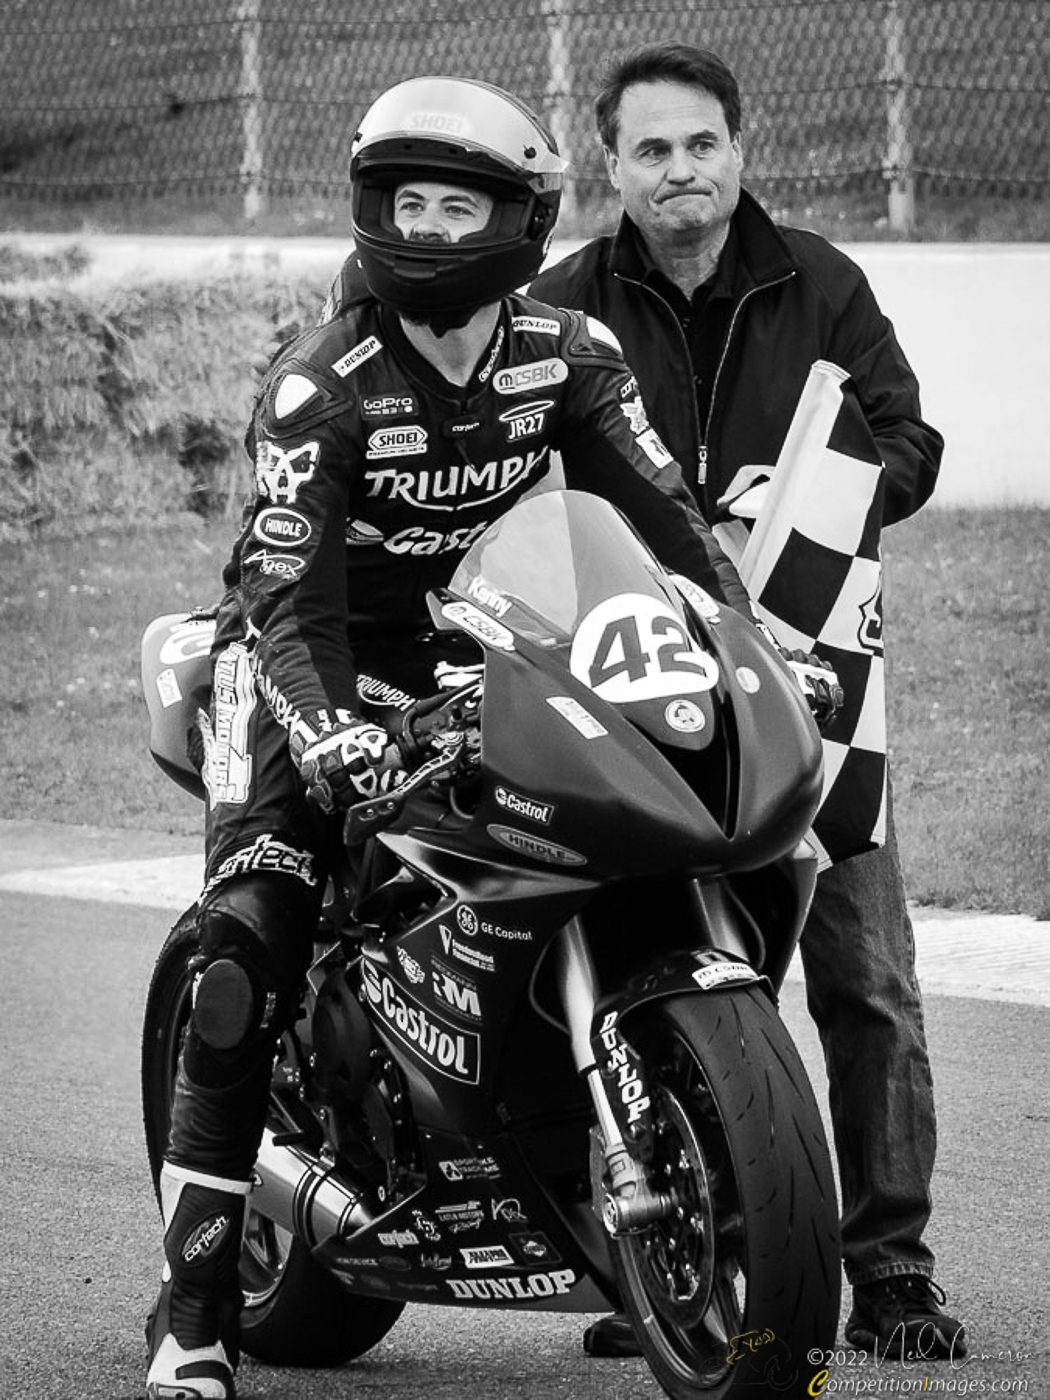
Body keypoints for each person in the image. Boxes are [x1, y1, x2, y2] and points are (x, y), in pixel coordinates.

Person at [144, 74, 765, 1400]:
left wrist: (754, 649)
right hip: (292, 673)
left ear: (515, 219)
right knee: (248, 945)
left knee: (634, 821)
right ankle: (191, 1317)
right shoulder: (324, 388)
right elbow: (281, 592)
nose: (427, 226)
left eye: (457, 203)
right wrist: (319, 736)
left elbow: (676, 533)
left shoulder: (570, 357)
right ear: (373, 213)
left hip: (458, 656)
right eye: (405, 202)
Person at [531, 41, 964, 1363]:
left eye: (700, 143)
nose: (680, 169)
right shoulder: (560, 305)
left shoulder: (819, 282)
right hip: (640, 684)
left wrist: (806, 505)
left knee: (862, 973)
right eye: (651, 148)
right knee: (660, 976)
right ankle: (683, 1252)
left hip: (817, 682)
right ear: (611, 163)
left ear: (739, 149)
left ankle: (889, 1263)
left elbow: (907, 440)